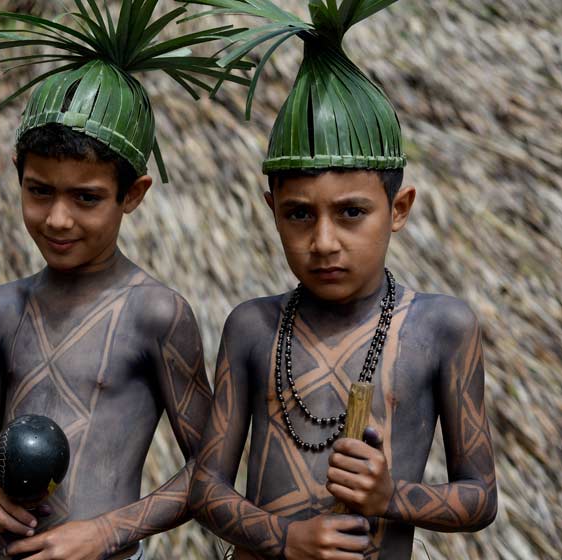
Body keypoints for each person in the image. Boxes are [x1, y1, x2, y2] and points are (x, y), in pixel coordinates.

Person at [185, 1, 498, 558]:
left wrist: (391, 495)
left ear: (398, 208)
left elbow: (480, 498)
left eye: (351, 212)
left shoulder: (442, 328)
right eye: (299, 214)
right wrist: (284, 538)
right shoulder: (252, 327)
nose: (323, 241)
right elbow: (207, 489)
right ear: (271, 207)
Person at [0, 2, 247, 558]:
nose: (58, 218)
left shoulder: (156, 314)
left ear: (132, 194)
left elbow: (213, 464)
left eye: (86, 198)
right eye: (40, 191)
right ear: (17, 172)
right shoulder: (0, 311)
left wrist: (107, 530)